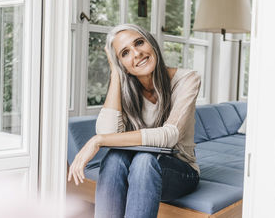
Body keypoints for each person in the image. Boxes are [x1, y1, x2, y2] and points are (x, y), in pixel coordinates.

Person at [68, 24, 201, 218]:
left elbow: (169, 135)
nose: (137, 53)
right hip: (137, 169)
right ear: (123, 66)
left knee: (144, 160)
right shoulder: (126, 87)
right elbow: (108, 130)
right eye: (125, 53)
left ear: (152, 44)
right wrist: (115, 73)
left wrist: (97, 140)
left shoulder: (187, 79)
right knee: (114, 159)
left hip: (181, 171)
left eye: (139, 43)